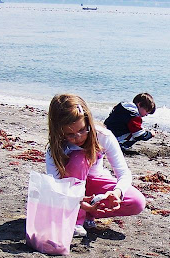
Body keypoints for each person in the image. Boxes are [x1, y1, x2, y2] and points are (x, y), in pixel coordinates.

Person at [45, 94, 146, 237]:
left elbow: (123, 173)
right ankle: (75, 220)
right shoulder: (55, 148)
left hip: (94, 184)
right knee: (79, 159)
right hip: (69, 191)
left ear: (88, 121)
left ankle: (89, 213)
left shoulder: (103, 136)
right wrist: (77, 202)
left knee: (137, 202)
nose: (78, 137)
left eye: (82, 130)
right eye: (70, 134)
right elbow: (56, 187)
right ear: (59, 131)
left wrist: (117, 193)